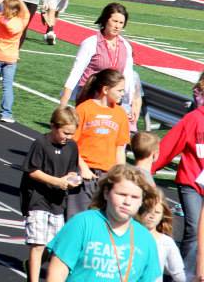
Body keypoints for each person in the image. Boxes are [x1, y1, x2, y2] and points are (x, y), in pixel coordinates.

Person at [45, 164, 161, 282]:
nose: (127, 202)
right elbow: (57, 273)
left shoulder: (145, 239)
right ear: (106, 193)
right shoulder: (83, 223)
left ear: (141, 201)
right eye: (122, 194)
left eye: (135, 197)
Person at [20, 105, 80, 282]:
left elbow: (72, 171)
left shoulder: (72, 147)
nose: (68, 138)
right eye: (65, 133)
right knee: (38, 243)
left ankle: (30, 264)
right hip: (37, 199)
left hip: (57, 201)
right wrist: (57, 181)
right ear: (54, 126)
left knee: (54, 246)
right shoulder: (41, 144)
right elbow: (32, 170)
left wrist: (73, 180)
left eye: (71, 134)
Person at [59, 2, 141, 131]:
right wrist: (64, 102)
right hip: (90, 97)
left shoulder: (126, 46)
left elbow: (128, 76)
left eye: (121, 23)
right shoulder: (90, 43)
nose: (117, 26)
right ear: (105, 19)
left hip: (112, 100)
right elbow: (76, 72)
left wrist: (131, 103)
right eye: (114, 21)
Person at [67, 69, 130, 217]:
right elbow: (72, 144)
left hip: (108, 175)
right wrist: (83, 168)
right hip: (85, 173)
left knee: (107, 219)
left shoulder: (120, 114)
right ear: (106, 90)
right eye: (120, 90)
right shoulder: (84, 109)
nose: (123, 94)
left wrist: (120, 175)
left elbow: (120, 148)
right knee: (76, 218)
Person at [153, 97, 204, 276]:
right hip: (192, 182)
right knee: (195, 228)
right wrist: (146, 168)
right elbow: (169, 146)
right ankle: (185, 276)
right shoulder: (194, 119)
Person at [138, 188, 185, 282]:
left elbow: (178, 273)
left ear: (162, 215)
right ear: (140, 211)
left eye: (157, 212)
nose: (152, 216)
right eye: (148, 211)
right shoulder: (128, 237)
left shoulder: (166, 242)